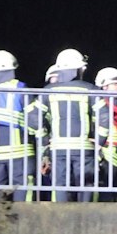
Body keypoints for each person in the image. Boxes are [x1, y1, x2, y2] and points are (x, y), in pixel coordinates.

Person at [40, 48, 100, 203]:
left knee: (60, 184)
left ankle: (60, 220)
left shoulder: (47, 91)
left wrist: (45, 139)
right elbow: (104, 116)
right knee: (85, 185)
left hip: (59, 147)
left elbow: (33, 116)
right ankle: (87, 217)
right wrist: (100, 140)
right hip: (83, 147)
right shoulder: (90, 89)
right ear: (79, 69)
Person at [0, 49, 35, 201]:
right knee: (22, 190)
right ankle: (25, 220)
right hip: (19, 150)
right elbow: (33, 117)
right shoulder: (20, 88)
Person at [94, 66, 117, 195]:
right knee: (104, 187)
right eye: (115, 84)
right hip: (106, 152)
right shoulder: (99, 107)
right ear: (104, 86)